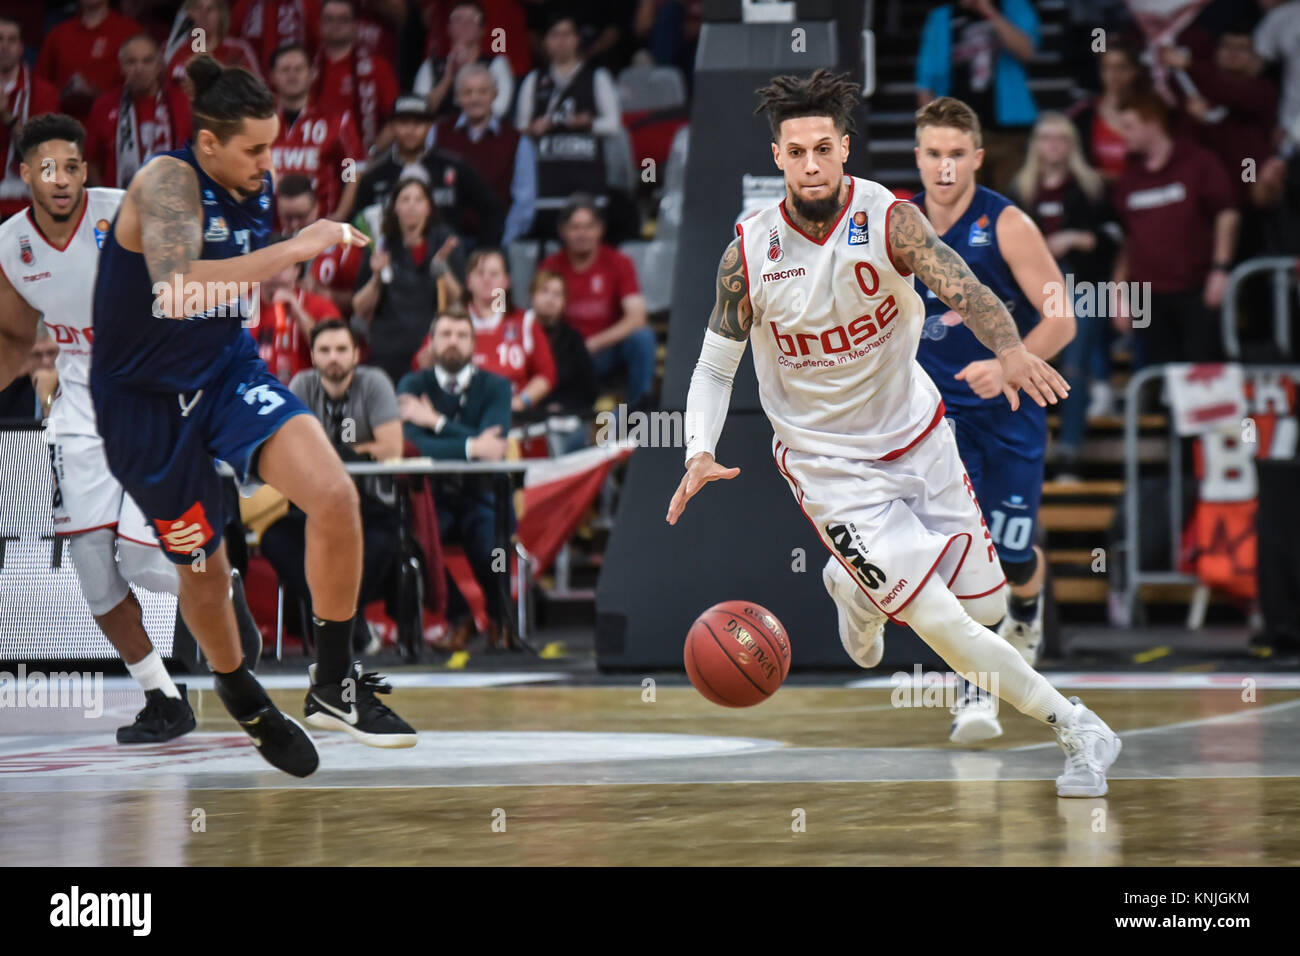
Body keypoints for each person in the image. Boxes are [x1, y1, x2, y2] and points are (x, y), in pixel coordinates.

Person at [666, 70, 1120, 798]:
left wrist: (1010, 350)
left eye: (823, 148)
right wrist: (698, 450)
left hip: (919, 436)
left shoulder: (890, 221)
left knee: (987, 611)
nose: (811, 164)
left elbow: (967, 289)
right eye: (796, 152)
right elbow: (714, 367)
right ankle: (1080, 728)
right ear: (777, 158)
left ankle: (854, 589)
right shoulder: (749, 252)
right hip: (829, 466)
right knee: (942, 623)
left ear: (845, 148)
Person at [85, 56, 416, 775]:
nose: (270, 164)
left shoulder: (253, 185)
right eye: (255, 149)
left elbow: (227, 287)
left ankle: (334, 682)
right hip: (144, 407)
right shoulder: (166, 182)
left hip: (224, 372)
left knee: (335, 494)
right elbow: (176, 292)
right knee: (205, 571)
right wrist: (294, 249)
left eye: (273, 146)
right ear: (208, 143)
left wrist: (281, 254)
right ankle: (244, 698)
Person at [0, 113, 264, 745]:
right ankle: (163, 699)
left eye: (72, 166)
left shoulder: (125, 212)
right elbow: (12, 339)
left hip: (152, 391)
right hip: (81, 404)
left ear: (85, 171)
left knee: (145, 555)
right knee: (93, 566)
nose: (61, 179)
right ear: (24, 174)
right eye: (47, 168)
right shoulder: (11, 243)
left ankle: (222, 588)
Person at [911, 97, 1076, 743]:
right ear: (918, 157)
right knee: (962, 554)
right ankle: (974, 692)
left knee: (1010, 553)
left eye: (956, 154)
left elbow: (1062, 318)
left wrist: (1010, 364)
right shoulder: (896, 226)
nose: (945, 168)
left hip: (1010, 410)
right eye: (933, 154)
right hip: (938, 418)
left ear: (977, 157)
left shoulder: (1007, 224)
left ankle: (1027, 610)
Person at [261, 319, 404, 654]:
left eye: (341, 349)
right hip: (313, 507)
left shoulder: (374, 382)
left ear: (356, 354)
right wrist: (351, 454)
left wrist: (330, 455)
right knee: (274, 539)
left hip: (370, 505)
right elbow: (288, 449)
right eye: (325, 350)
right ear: (313, 356)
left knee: (384, 540)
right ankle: (349, 629)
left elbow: (392, 448)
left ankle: (339, 627)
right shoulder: (302, 384)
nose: (334, 358)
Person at [1008, 112, 1118, 482]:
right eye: (1047, 138)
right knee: (1025, 365)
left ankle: (1070, 454)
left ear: (1072, 145)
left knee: (1073, 367)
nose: (1053, 146)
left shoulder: (1090, 186)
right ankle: (1029, 453)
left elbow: (1115, 237)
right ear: (1036, 145)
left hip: (1080, 283)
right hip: (1030, 287)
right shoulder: (1021, 189)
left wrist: (1077, 238)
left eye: (1061, 138)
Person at [398, 309, 513, 651]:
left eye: (462, 335)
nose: (453, 342)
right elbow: (412, 446)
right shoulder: (412, 385)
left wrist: (435, 422)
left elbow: (494, 450)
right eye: (445, 334)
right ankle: (460, 617)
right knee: (409, 542)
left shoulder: (496, 386)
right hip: (431, 496)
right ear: (431, 343)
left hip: (483, 493)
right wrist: (473, 445)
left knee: (490, 546)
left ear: (474, 344)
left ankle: (501, 617)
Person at [1111, 87, 1238, 366]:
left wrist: (1221, 268)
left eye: (1129, 126)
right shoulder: (1130, 176)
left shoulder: (1197, 161)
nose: (1124, 134)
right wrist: (1118, 293)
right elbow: (1127, 239)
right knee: (1160, 373)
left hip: (1195, 289)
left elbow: (1226, 213)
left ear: (1152, 122)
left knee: (1202, 371)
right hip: (1148, 295)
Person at [538, 195, 654, 407]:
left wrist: (591, 344)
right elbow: (539, 317)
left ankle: (639, 411)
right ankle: (548, 413)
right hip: (566, 354)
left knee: (642, 337)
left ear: (601, 229)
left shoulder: (619, 262)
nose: (582, 234)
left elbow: (637, 317)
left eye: (589, 227)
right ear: (563, 231)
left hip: (604, 350)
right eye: (575, 227)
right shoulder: (551, 266)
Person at [914, 0, 1040, 193]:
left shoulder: (1014, 7)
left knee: (1011, 200)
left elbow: (1026, 50)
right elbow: (925, 81)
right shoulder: (941, 17)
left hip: (1008, 132)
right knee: (959, 200)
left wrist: (989, 11)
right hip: (958, 134)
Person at [352, 176, 465, 385]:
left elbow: (458, 299)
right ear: (395, 207)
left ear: (429, 207)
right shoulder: (380, 246)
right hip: (387, 351)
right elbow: (359, 307)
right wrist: (377, 277)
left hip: (430, 349)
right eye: (405, 199)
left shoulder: (444, 241)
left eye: (419, 199)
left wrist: (443, 271)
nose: (412, 205)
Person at [515, 12, 621, 235]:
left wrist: (588, 123)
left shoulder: (597, 77)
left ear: (577, 39)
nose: (561, 41)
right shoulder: (534, 79)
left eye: (567, 35)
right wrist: (533, 128)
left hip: (588, 185)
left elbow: (613, 125)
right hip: (546, 187)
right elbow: (519, 128)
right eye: (555, 35)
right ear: (545, 42)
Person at [416, 247, 555, 413]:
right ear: (468, 281)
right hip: (461, 417)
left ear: (506, 281)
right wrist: (427, 364)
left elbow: (546, 373)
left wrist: (520, 402)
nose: (487, 279)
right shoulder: (448, 323)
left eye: (494, 274)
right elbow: (419, 367)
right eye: (480, 273)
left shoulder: (525, 322)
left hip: (513, 418)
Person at [430, 63, 538, 246]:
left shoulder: (517, 141)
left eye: (482, 91)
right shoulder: (437, 133)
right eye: (467, 92)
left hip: (497, 243)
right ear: (457, 97)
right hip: (445, 242)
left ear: (494, 95)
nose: (475, 99)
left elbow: (524, 204)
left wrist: (500, 240)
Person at [268, 42, 364, 221]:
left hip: (321, 225)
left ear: (312, 73)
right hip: (270, 228)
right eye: (285, 70)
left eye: (298, 69)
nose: (292, 75)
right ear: (272, 76)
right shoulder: (259, 122)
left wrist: (340, 214)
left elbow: (352, 168)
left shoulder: (337, 121)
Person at [85, 35, 194, 189]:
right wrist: (105, 199)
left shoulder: (182, 102)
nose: (139, 69)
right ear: (121, 67)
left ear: (159, 66)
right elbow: (91, 162)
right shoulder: (104, 106)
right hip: (119, 200)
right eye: (131, 62)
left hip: (175, 197)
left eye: (147, 61)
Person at [244, 235, 343, 383]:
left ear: (297, 270)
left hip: (300, 392)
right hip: (249, 389)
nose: (275, 274)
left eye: (283, 266)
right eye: (269, 265)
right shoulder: (241, 304)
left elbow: (334, 352)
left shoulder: (320, 306)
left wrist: (298, 312)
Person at [35, 0, 144, 122]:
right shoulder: (58, 34)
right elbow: (39, 87)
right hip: (64, 126)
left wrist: (99, 97)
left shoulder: (131, 31)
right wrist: (63, 96)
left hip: (114, 124)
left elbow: (143, 86)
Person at [312, 0, 399, 151]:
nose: (335, 25)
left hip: (359, 157)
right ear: (320, 24)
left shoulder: (377, 67)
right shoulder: (306, 68)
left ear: (355, 25)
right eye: (329, 19)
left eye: (343, 19)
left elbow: (397, 119)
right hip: (313, 155)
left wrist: (371, 155)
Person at [0, 15, 60, 221]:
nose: (4, 46)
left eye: (11, 40)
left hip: (24, 205)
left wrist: (7, 117)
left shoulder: (43, 92)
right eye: (0, 39)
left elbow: (44, 155)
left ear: (21, 47)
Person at [414, 0, 514, 120]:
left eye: (472, 19)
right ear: (448, 28)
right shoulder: (431, 65)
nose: (464, 24)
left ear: (483, 29)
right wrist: (448, 78)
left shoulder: (496, 63)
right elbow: (419, 110)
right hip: (438, 128)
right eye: (457, 19)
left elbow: (500, 109)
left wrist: (471, 73)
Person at [164, 0, 263, 89]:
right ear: (190, 13)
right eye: (198, 8)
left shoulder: (238, 51)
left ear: (221, 14)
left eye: (210, 9)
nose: (203, 15)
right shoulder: (176, 50)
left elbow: (257, 93)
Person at [231, 0, 321, 76]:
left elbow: (318, 46)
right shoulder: (245, 4)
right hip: (252, 83)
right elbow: (232, 43)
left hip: (295, 82)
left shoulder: (305, 4)